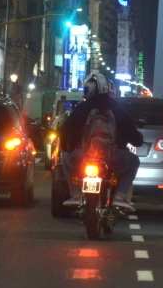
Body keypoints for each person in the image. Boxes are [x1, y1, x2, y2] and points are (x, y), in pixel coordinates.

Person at [60, 71, 143, 210]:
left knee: (66, 159)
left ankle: (75, 194)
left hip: (83, 156)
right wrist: (138, 140)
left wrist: (68, 148)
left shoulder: (81, 108)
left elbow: (65, 129)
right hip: (112, 157)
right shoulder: (116, 108)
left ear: (90, 89)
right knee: (134, 161)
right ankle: (120, 196)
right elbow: (134, 136)